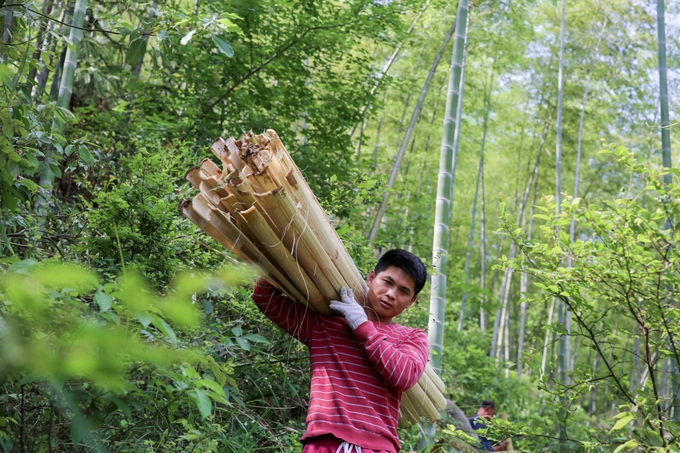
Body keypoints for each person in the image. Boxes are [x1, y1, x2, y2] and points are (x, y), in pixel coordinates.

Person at [251, 249, 429, 453]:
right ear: (371, 278)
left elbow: (404, 376)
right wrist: (283, 255)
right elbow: (264, 297)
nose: (391, 294)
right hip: (323, 441)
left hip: (377, 446)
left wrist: (362, 326)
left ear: (411, 302)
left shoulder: (412, 337)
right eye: (387, 282)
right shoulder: (324, 325)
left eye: (403, 291)